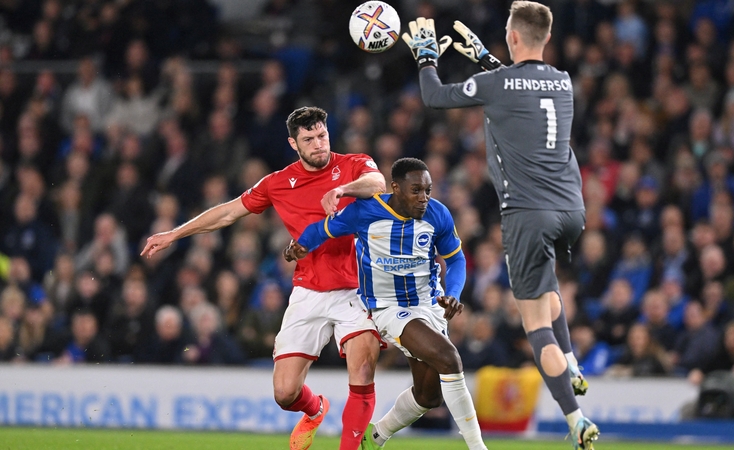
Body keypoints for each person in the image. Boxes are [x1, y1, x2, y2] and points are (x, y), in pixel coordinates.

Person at [401, 3, 598, 448]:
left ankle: (576, 418)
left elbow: (435, 95)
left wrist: (427, 56)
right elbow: (523, 90)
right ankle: (572, 360)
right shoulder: (563, 81)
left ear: (512, 36)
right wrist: (488, 61)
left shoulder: (498, 83)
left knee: (534, 325)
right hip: (572, 208)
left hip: (528, 213)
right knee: (548, 291)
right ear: (544, 38)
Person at [141, 106, 386, 450]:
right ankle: (315, 410)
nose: (318, 145)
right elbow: (227, 212)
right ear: (293, 143)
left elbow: (378, 182)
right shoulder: (277, 183)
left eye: (322, 136)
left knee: (362, 374)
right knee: (285, 393)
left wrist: (345, 190)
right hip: (309, 291)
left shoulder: (354, 165)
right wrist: (173, 234)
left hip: (358, 289)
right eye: (309, 140)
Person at [286, 158, 487, 450]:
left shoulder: (437, 214)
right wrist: (301, 245)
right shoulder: (366, 211)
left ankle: (375, 436)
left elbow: (456, 259)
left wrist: (453, 293)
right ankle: (478, 447)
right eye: (416, 190)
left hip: (429, 305)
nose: (423, 198)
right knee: (449, 358)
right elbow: (321, 230)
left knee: (429, 396)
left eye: (428, 190)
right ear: (396, 187)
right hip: (388, 309)